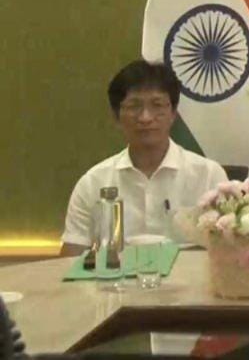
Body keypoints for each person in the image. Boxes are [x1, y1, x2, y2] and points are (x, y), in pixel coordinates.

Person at [60, 60, 228, 256]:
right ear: (116, 116)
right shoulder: (93, 183)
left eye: (157, 105)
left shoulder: (208, 175)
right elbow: (70, 259)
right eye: (134, 106)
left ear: (173, 114)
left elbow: (230, 252)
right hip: (117, 275)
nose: (146, 117)